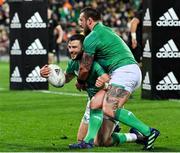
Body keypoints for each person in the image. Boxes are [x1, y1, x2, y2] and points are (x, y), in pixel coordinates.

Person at [72, 7, 160, 150]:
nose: (79, 24)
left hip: (124, 72)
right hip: (126, 71)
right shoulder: (105, 31)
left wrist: (80, 81)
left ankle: (148, 132)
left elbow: (85, 67)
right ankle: (87, 141)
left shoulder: (92, 36)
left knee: (109, 109)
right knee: (95, 103)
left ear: (89, 20)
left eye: (81, 20)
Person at [40, 34, 144, 148]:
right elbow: (65, 79)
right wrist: (48, 74)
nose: (71, 50)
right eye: (69, 47)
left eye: (74, 47)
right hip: (92, 104)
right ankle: (119, 132)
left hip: (106, 103)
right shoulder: (73, 63)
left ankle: (136, 135)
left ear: (83, 48)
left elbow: (109, 80)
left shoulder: (96, 63)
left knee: (101, 142)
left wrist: (104, 82)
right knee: (81, 140)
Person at [128, 2, 143, 67]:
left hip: (139, 41)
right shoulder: (142, 12)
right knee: (135, 63)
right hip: (136, 42)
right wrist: (134, 38)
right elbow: (133, 22)